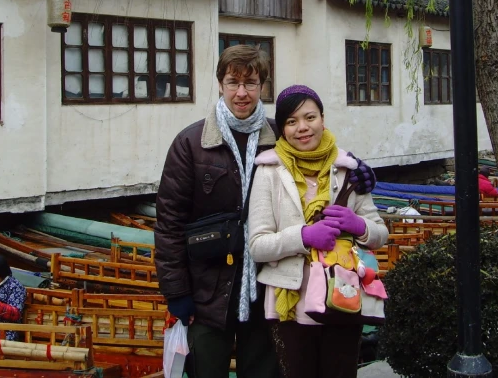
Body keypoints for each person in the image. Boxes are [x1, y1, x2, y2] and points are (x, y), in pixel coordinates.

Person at [154, 46, 377, 378]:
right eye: (233, 82)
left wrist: (360, 169)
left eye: (251, 83)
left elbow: (323, 155)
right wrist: (177, 293)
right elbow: (169, 224)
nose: (241, 93)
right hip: (207, 291)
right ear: (220, 84)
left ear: (262, 87)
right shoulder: (192, 143)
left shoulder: (280, 137)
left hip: (268, 287)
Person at [247, 85, 389, 378]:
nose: (302, 128)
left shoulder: (349, 169)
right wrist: (303, 237)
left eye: (310, 117)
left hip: (344, 296)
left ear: (322, 119)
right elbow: (257, 245)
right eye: (291, 121)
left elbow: (380, 234)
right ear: (283, 129)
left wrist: (358, 225)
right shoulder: (269, 171)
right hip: (291, 301)